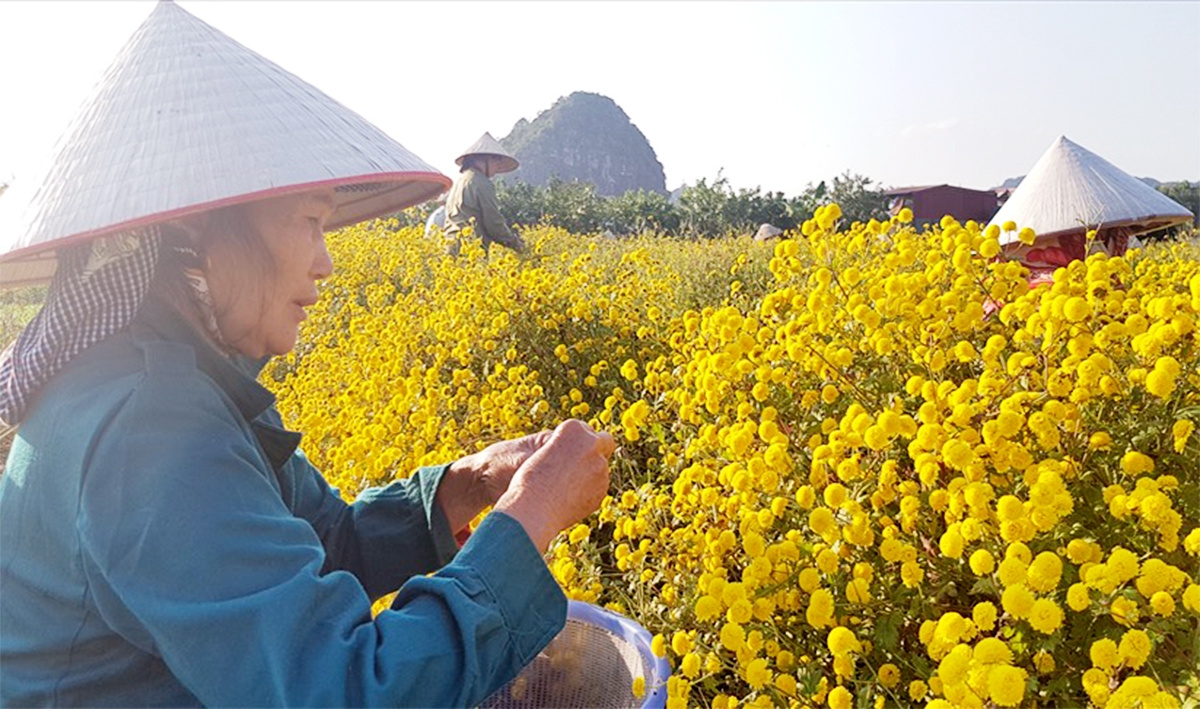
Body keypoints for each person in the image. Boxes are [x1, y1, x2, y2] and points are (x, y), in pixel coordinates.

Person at [0, 4, 613, 707]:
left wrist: (471, 481)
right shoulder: (149, 425)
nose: (325, 263)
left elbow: (323, 541)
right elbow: (346, 688)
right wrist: (532, 516)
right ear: (202, 231)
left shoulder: (175, 378)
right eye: (312, 222)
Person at [444, 133, 526, 257]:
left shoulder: (460, 181)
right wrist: (516, 244)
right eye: (496, 160)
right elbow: (493, 223)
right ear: (484, 159)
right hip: (470, 250)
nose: (498, 166)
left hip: (450, 247)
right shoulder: (481, 182)